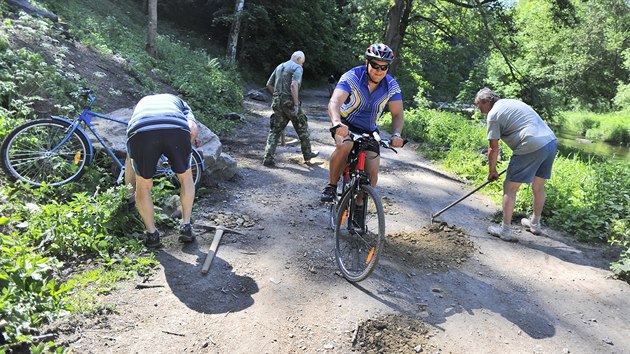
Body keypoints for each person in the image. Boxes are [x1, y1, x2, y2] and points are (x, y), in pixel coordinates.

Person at [320, 43, 405, 203]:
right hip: (346, 124)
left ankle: (359, 209)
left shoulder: (391, 85)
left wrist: (397, 134)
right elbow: (334, 103)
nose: (379, 71)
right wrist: (337, 122)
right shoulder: (352, 77)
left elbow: (398, 114)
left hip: (369, 130)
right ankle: (331, 186)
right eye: (375, 65)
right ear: (367, 63)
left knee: (372, 172)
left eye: (384, 67)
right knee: (345, 146)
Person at [475, 87, 558, 242]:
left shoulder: (493, 115)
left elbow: (493, 147)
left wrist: (492, 170)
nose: (479, 110)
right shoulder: (511, 102)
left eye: (479, 105)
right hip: (550, 142)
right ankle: (535, 224)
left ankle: (505, 230)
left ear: (487, 101)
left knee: (510, 188)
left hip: (530, 144)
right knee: (538, 186)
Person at [125, 93, 199, 248]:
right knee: (185, 177)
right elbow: (193, 129)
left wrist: (129, 195)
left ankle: (152, 235)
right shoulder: (181, 104)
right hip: (176, 127)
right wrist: (180, 154)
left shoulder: (142, 103)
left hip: (141, 128)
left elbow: (130, 152)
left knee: (143, 185)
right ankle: (186, 226)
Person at [263, 51, 318, 167]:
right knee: (302, 128)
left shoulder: (280, 66)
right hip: (290, 103)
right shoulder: (297, 68)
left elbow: (269, 84)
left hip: (277, 102)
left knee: (275, 130)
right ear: (298, 59)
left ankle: (268, 157)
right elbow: (294, 85)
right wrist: (296, 104)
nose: (302, 65)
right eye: (302, 62)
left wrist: (277, 96)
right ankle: (307, 155)